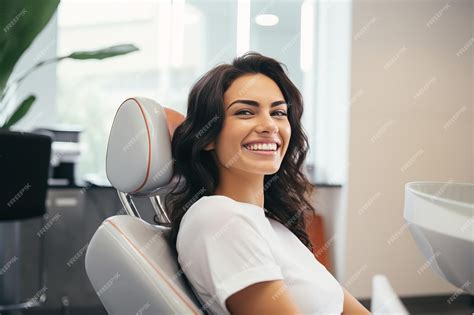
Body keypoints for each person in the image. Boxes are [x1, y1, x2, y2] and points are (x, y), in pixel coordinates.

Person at [163, 52, 371, 315]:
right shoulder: (218, 218)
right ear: (207, 137)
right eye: (245, 112)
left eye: (278, 112)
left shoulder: (271, 225)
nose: (269, 125)